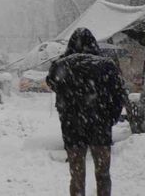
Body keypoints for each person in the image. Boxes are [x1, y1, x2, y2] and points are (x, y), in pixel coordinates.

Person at [46, 28, 126, 196]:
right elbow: (119, 95)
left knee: (76, 175)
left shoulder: (62, 65)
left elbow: (52, 83)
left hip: (72, 126)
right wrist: (110, 117)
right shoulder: (107, 65)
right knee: (103, 174)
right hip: (100, 126)